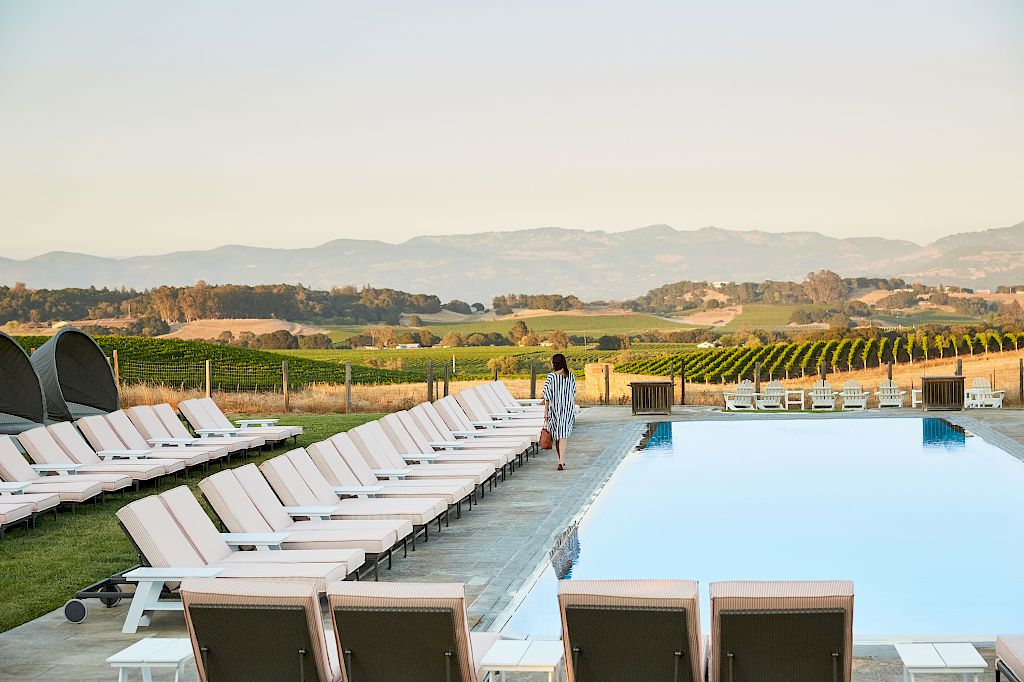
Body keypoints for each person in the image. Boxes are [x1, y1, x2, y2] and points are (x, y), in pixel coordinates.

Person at [542, 353, 577, 470]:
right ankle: (561, 460)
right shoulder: (571, 376)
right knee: (562, 435)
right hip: (567, 409)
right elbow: (573, 393)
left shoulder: (551, 377)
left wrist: (545, 412)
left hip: (555, 409)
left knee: (558, 435)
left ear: (554, 363)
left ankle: (561, 460)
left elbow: (547, 396)